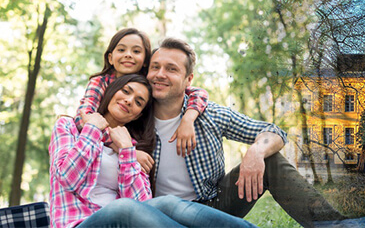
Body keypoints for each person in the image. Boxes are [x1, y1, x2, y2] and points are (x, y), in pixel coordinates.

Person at [147, 37, 343, 227]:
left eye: (171, 69)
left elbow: (273, 132)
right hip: (156, 216)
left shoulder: (211, 116)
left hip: (212, 208)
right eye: (155, 67)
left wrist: (256, 152)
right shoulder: (133, 116)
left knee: (270, 160)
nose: (160, 74)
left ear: (188, 80)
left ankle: (335, 226)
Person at [48, 74, 255, 228]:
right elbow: (68, 178)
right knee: (123, 209)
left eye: (138, 102)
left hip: (121, 220)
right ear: (112, 92)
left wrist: (127, 151)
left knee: (167, 202)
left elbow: (143, 206)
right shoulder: (69, 127)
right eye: (126, 91)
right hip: (76, 223)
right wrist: (93, 128)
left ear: (138, 115)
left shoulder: (133, 148)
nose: (129, 101)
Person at [76, 28, 208, 170]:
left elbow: (198, 93)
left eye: (136, 51)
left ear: (145, 61)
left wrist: (188, 119)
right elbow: (83, 119)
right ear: (110, 58)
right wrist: (124, 148)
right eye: (121, 50)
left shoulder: (148, 85)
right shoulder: (101, 82)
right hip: (94, 146)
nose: (128, 55)